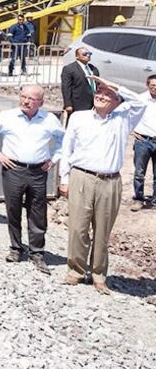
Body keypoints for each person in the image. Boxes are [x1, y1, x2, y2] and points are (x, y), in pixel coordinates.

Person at [58, 76, 146, 293]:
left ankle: (98, 275)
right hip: (81, 177)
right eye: (99, 93)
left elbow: (140, 103)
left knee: (102, 231)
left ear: (117, 101)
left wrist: (113, 84)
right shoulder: (79, 117)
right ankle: (75, 271)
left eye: (107, 94)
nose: (100, 96)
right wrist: (64, 179)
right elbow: (66, 149)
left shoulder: (123, 119)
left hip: (110, 181)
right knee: (78, 228)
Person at [0, 85, 64, 274]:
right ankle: (15, 248)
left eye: (31, 99)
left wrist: (54, 159)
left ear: (41, 102)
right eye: (23, 97)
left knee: (37, 212)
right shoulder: (7, 117)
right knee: (13, 209)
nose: (25, 101)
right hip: (13, 169)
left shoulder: (49, 120)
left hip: (38, 172)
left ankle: (37, 252)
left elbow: (64, 140)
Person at [131, 74, 156, 211]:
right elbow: (127, 114)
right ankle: (139, 199)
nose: (155, 88)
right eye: (152, 86)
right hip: (143, 141)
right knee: (139, 172)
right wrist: (132, 130)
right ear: (147, 85)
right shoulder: (140, 99)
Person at [61, 47, 100, 116]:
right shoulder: (69, 69)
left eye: (89, 54)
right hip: (78, 104)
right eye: (85, 54)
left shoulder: (93, 69)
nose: (88, 55)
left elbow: (98, 85)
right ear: (77, 56)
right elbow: (66, 88)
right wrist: (68, 104)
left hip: (93, 103)